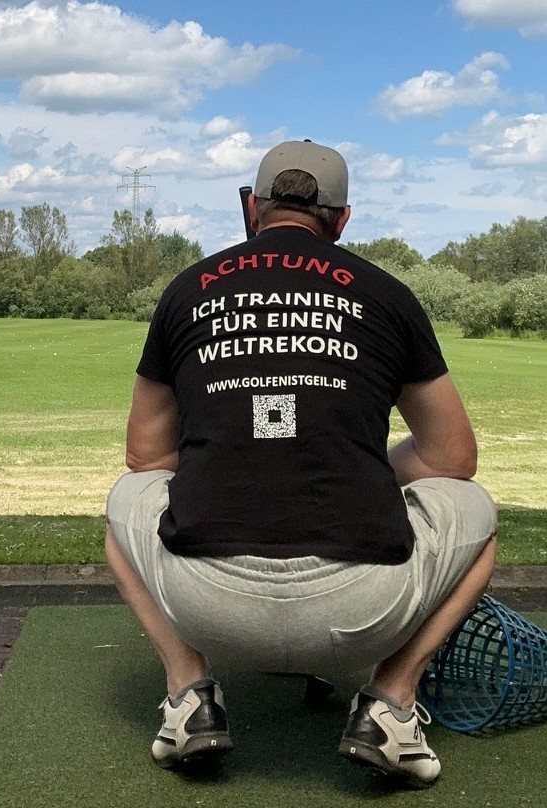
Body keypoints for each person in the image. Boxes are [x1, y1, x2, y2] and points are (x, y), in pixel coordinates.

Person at [104, 139, 497, 789]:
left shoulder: (184, 292)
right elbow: (452, 458)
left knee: (127, 496)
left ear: (252, 208)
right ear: (342, 220)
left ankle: (188, 695)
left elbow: (145, 455)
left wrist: (234, 456)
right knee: (476, 510)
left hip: (207, 604)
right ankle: (390, 705)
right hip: (365, 607)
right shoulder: (387, 294)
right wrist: (351, 466)